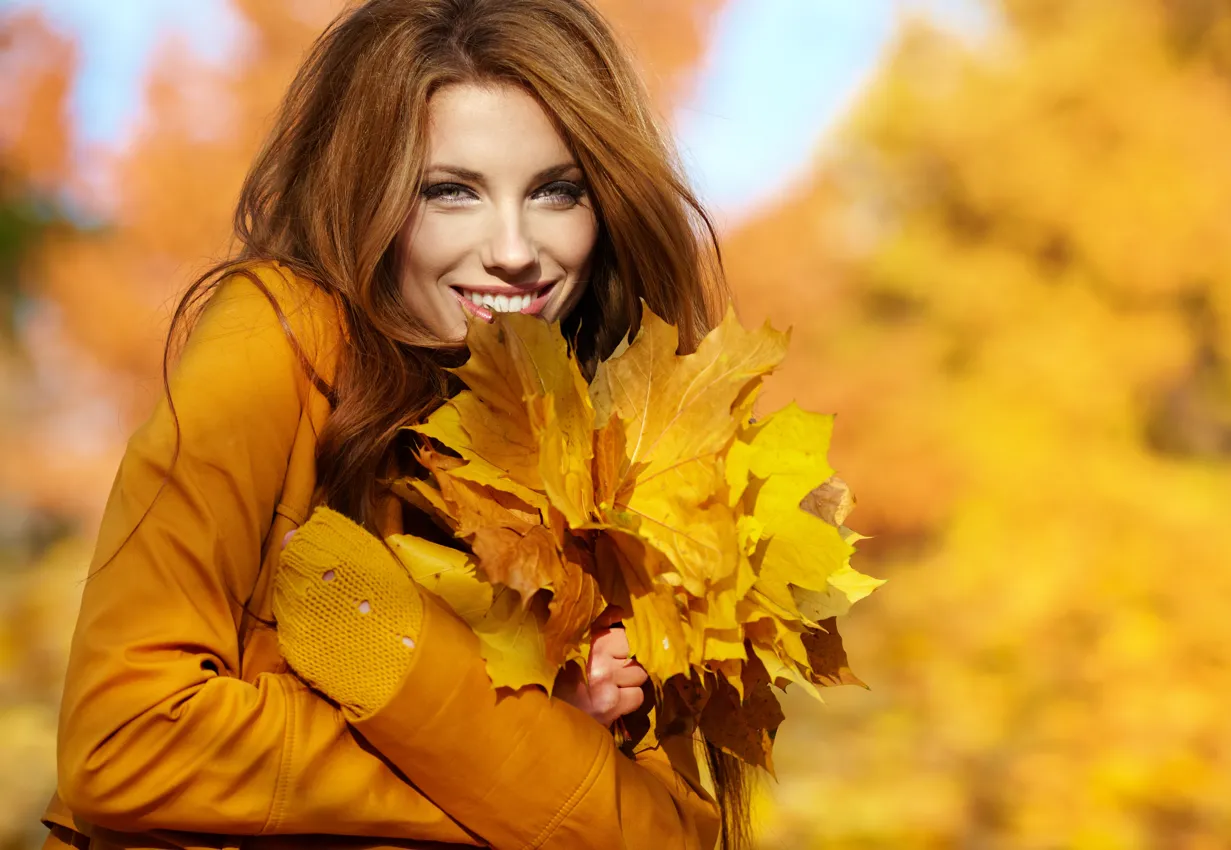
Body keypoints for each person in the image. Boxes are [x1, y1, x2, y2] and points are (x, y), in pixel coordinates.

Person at [41, 0, 754, 847]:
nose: (516, 248)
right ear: (368, 194)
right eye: (450, 192)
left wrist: (400, 671)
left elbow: (666, 835)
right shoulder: (282, 335)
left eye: (557, 191)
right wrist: (517, 746)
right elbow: (127, 742)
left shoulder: (618, 443)